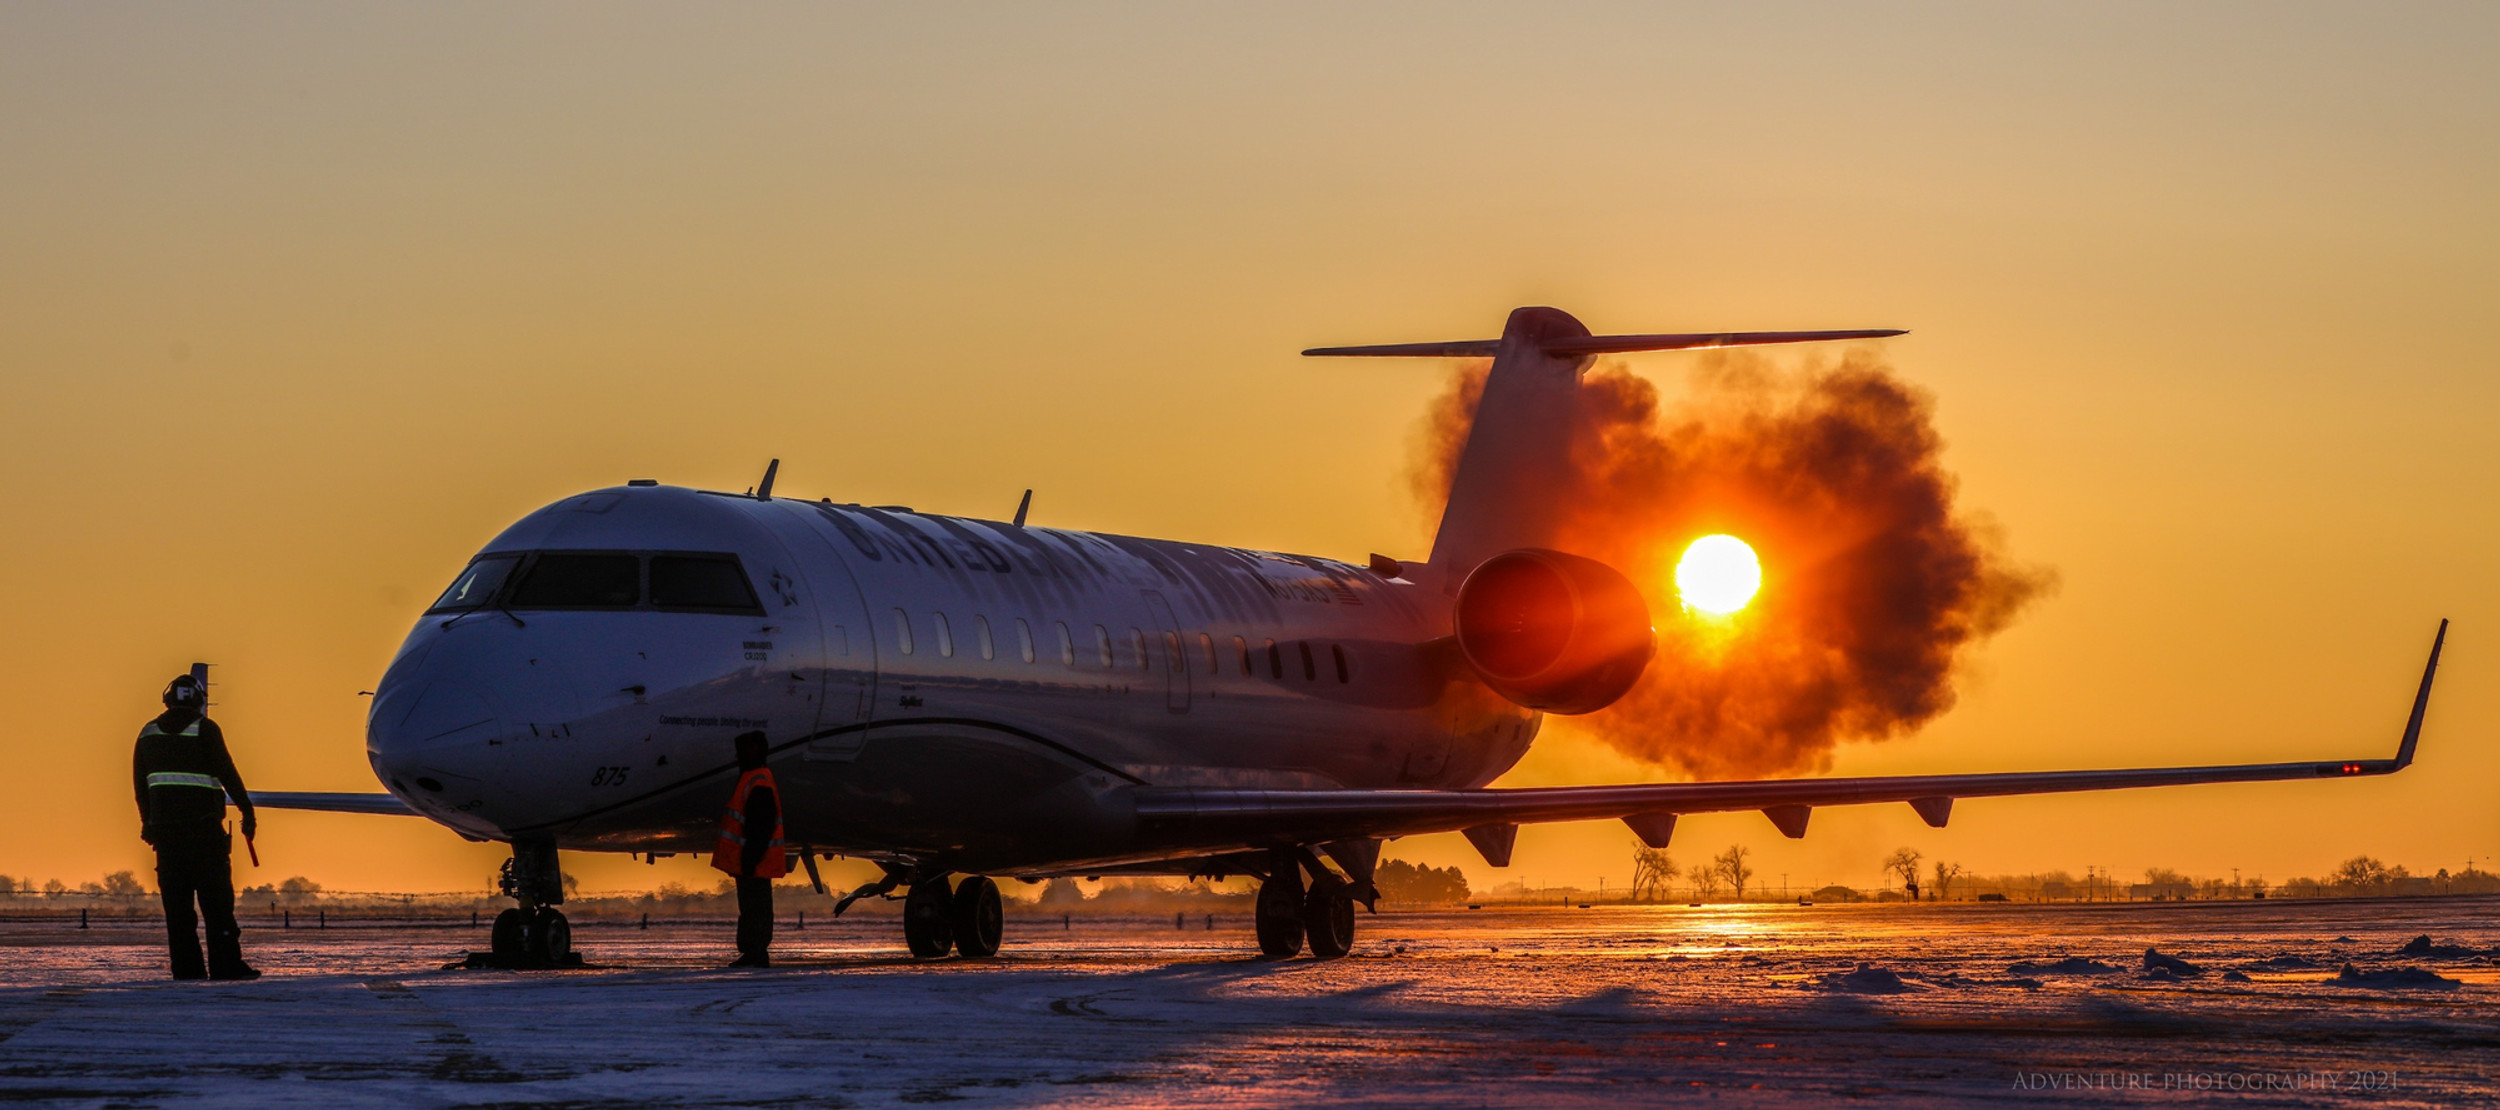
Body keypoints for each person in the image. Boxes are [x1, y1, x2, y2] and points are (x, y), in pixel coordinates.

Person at [132, 673, 259, 980]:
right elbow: (228, 773)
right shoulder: (206, 730)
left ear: (167, 700)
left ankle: (187, 969)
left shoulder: (147, 734)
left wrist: (147, 824)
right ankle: (226, 966)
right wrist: (247, 810)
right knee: (218, 908)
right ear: (200, 702)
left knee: (178, 912)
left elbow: (140, 787)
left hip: (167, 839)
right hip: (205, 836)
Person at [710, 731, 786, 967]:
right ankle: (753, 951)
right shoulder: (754, 778)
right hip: (752, 861)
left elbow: (761, 826)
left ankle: (756, 952)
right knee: (753, 907)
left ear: (753, 751)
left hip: (755, 861)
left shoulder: (757, 781)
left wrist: (750, 859)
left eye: (742, 751)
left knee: (755, 908)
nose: (738, 757)